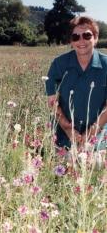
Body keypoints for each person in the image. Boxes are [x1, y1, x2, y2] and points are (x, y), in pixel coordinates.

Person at [45, 16, 107, 151]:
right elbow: (52, 102)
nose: (81, 40)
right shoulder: (59, 64)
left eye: (87, 35)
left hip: (98, 133)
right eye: (75, 37)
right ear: (71, 42)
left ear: (95, 38)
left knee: (95, 165)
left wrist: (90, 133)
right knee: (63, 165)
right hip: (63, 133)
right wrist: (68, 129)